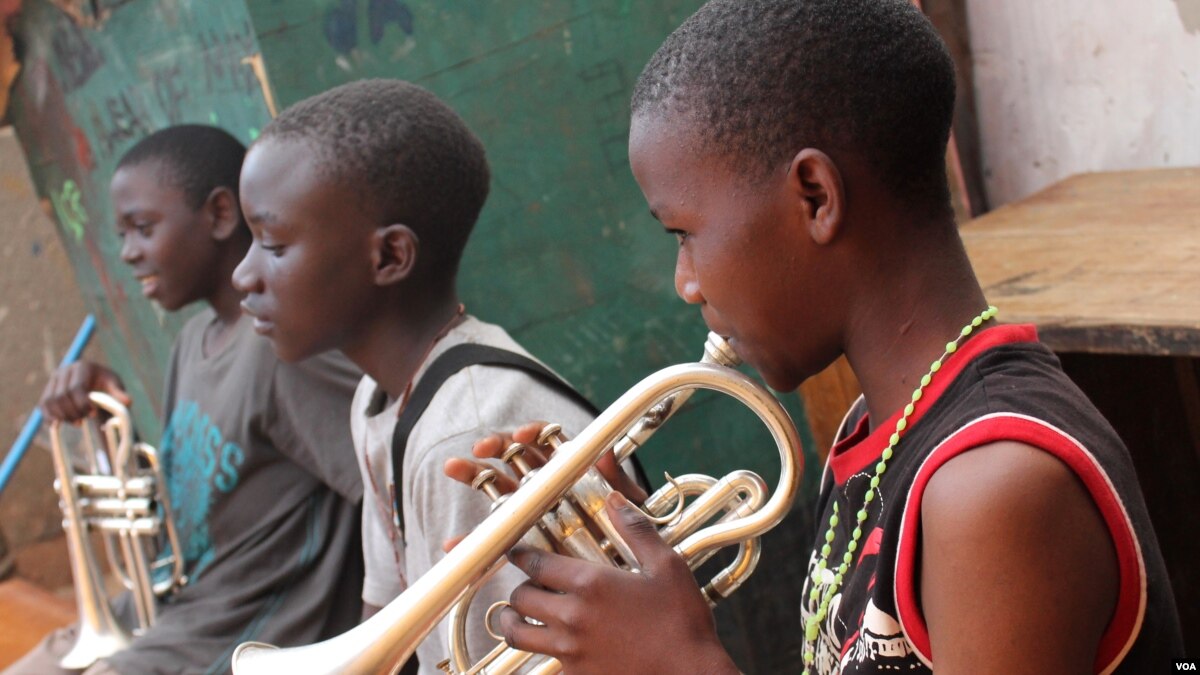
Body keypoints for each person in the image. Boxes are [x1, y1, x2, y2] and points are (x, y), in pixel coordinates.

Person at [449, 1, 1185, 673]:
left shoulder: (992, 489)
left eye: (685, 234)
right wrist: (618, 559)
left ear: (815, 197)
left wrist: (682, 663)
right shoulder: (879, 433)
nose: (688, 282)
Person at [231, 79, 621, 673]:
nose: (243, 275)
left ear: (389, 257)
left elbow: (493, 659)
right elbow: (382, 615)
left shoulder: (466, 432)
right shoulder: (376, 397)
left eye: (273, 245)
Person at [7, 125, 365, 675]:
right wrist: (103, 433)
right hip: (174, 609)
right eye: (121, 235)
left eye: (143, 228)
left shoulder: (284, 350)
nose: (127, 253)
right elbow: (183, 522)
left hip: (246, 635)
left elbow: (386, 486)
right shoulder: (191, 344)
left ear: (221, 215)